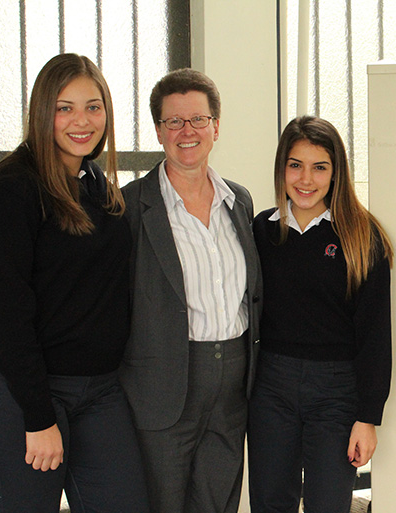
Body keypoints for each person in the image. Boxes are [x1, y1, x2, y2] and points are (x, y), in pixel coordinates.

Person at [0, 53, 149, 512]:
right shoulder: (12, 190)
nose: (81, 121)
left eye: (93, 106)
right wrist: (38, 415)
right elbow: (8, 314)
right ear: (41, 111)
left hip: (99, 391)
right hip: (22, 392)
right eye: (64, 108)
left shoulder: (95, 185)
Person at [119, 68, 263, 513]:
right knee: (162, 502)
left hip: (233, 383)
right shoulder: (128, 207)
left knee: (217, 501)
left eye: (198, 120)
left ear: (216, 127)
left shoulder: (238, 200)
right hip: (162, 384)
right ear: (159, 131)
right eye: (174, 122)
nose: (187, 131)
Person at [247, 115, 393, 513]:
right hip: (271, 387)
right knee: (269, 501)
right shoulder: (261, 230)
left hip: (337, 394)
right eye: (295, 165)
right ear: (282, 168)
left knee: (328, 503)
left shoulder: (362, 237)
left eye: (319, 167)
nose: (305, 179)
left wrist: (368, 417)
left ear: (336, 173)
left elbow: (376, 337)